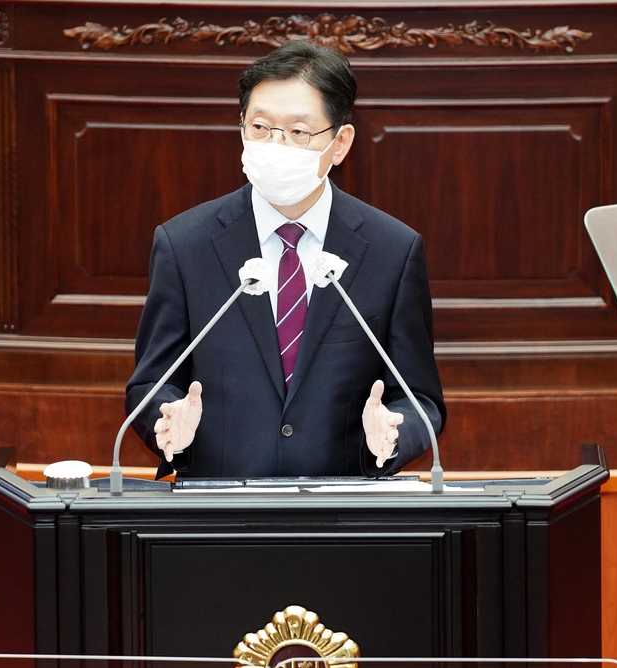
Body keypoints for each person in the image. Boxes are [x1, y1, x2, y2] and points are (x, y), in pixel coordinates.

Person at [125, 40, 445, 479]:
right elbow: (150, 385)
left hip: (345, 515)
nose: (275, 145)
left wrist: (394, 432)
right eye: (259, 127)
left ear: (339, 143)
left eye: (298, 132)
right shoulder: (185, 244)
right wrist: (165, 423)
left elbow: (419, 398)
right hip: (216, 513)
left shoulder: (392, 250)